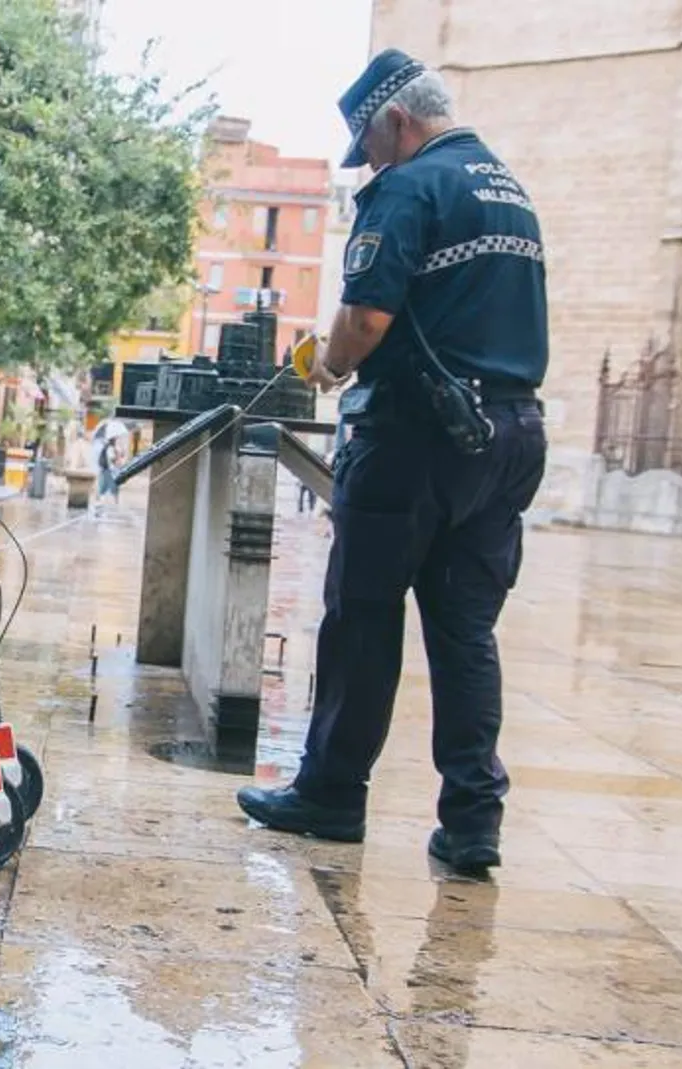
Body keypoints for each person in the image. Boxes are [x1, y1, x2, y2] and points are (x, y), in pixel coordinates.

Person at [235, 50, 549, 876]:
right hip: (510, 434)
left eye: (369, 144)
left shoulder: (410, 186)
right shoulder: (510, 192)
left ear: (398, 122)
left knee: (362, 615)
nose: (369, 161)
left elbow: (366, 318)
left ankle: (332, 794)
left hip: (416, 438)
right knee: (466, 632)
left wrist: (330, 363)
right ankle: (473, 821)